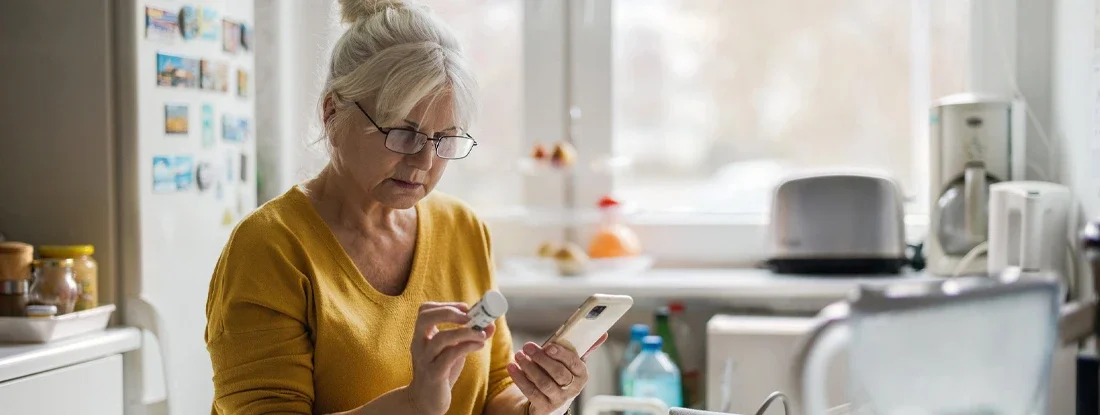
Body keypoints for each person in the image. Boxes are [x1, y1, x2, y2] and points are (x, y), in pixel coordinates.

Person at [204, 0, 606, 414]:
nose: (424, 162)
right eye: (402, 133)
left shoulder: (463, 227)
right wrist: (413, 404)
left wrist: (540, 403)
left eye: (444, 139)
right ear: (331, 113)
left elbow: (494, 390)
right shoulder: (269, 248)